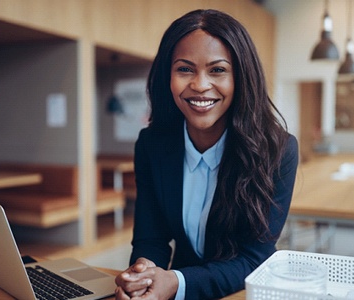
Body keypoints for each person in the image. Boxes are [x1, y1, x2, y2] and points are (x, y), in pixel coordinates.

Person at [114, 9, 298, 300]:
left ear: (241, 78)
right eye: (184, 69)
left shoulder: (277, 150)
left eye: (217, 70)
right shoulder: (151, 144)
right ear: (168, 76)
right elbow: (151, 238)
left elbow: (254, 258)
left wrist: (175, 282)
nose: (199, 85)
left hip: (239, 292)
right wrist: (143, 275)